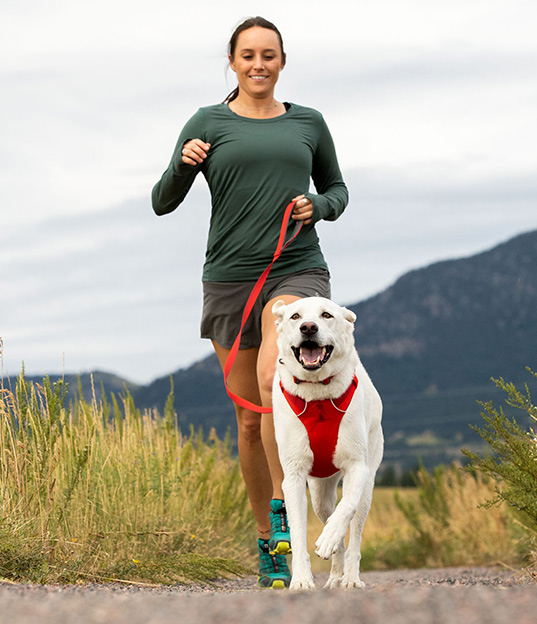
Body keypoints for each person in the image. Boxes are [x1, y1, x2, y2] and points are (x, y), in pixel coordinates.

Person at [151, 16, 348, 589]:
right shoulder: (207, 122)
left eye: (269, 55)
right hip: (231, 277)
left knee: (270, 384)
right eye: (248, 56)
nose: (259, 65)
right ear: (233, 63)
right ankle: (271, 542)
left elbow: (337, 189)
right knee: (246, 416)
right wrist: (183, 163)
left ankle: (294, 521)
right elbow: (164, 201)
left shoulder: (308, 123)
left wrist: (320, 206)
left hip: (296, 266)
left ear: (282, 61)